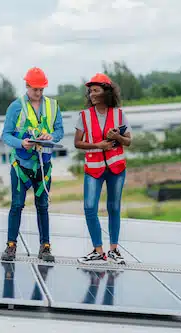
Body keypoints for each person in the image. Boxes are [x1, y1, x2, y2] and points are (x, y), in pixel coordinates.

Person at [0, 67, 64, 262]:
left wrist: (51, 136)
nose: (38, 93)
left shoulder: (53, 106)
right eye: (35, 89)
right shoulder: (16, 107)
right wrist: (21, 143)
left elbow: (60, 130)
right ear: (27, 86)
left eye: (41, 89)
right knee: (17, 205)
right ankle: (11, 246)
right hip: (21, 165)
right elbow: (6, 134)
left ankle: (45, 247)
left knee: (42, 205)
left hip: (43, 167)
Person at [74, 73, 132, 265]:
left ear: (107, 92)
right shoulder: (83, 116)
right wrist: (99, 145)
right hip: (94, 168)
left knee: (114, 207)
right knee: (90, 207)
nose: (92, 94)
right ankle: (98, 251)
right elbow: (77, 143)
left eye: (96, 90)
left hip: (116, 167)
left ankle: (114, 250)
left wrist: (117, 138)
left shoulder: (119, 114)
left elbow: (128, 141)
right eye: (90, 91)